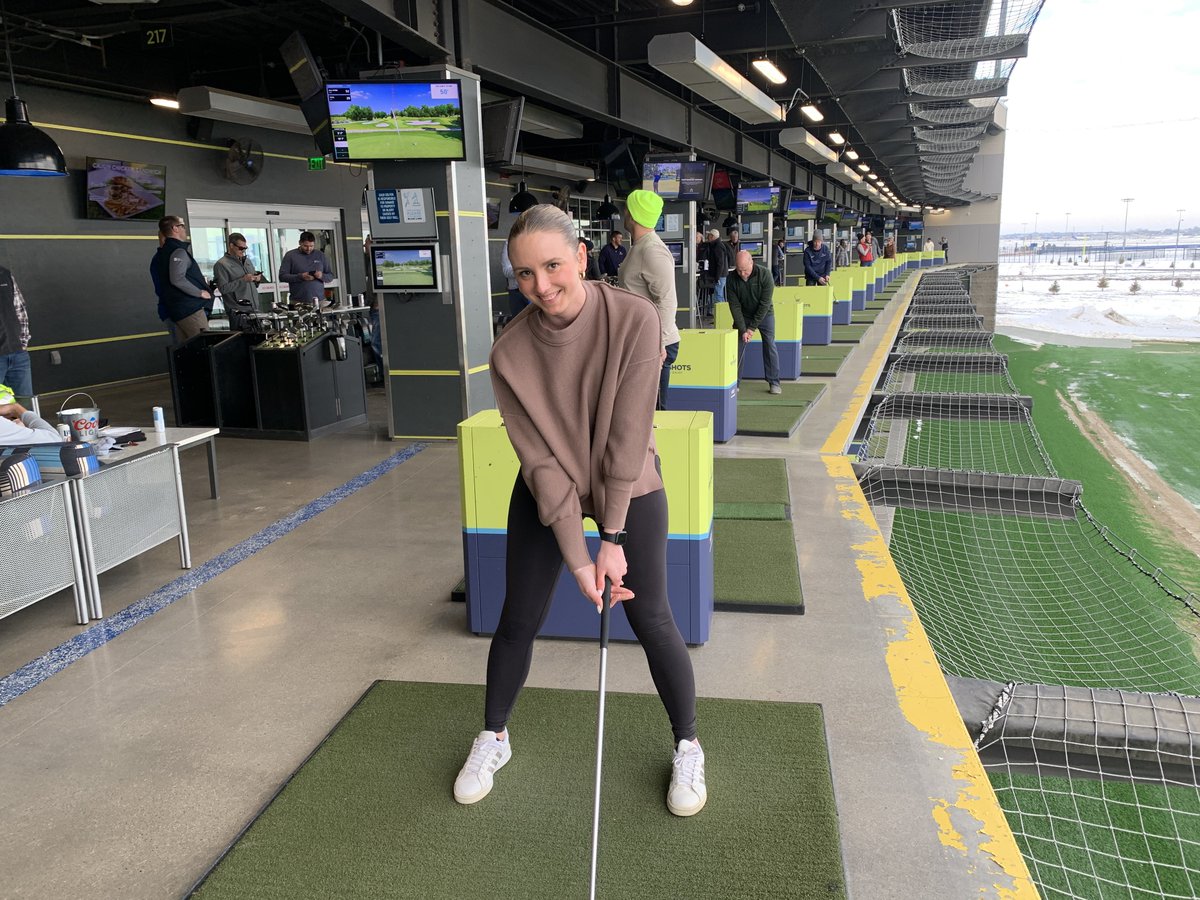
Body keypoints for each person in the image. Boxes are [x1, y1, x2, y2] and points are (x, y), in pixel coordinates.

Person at [452, 204, 706, 817]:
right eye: (524, 274)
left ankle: (689, 745)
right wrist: (577, 556)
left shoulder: (634, 319)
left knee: (652, 618)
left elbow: (626, 436)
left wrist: (610, 536)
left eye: (552, 265)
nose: (541, 286)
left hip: (630, 485)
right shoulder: (509, 352)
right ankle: (494, 735)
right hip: (550, 488)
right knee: (518, 617)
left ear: (583, 258)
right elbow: (540, 463)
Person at [618, 190, 680, 411]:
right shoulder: (640, 247)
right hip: (642, 340)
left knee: (653, 414)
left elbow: (667, 301)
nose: (623, 212)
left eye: (627, 208)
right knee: (642, 412)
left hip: (654, 344)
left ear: (633, 215)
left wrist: (658, 343)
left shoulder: (652, 250)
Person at [727, 250, 780, 395]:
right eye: (738, 270)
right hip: (743, 315)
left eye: (744, 270)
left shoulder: (765, 275)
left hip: (765, 314)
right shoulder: (731, 278)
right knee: (737, 346)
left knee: (769, 343)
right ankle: (734, 383)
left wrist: (751, 329)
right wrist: (743, 329)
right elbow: (734, 306)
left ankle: (774, 382)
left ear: (752, 262)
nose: (742, 274)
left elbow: (765, 304)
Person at [154, 216, 212, 344]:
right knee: (204, 347)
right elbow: (177, 279)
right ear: (175, 228)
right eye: (183, 226)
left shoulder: (160, 255)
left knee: (185, 351)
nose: (185, 230)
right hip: (190, 308)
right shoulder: (178, 251)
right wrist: (200, 292)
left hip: (175, 309)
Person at [212, 233, 263, 329]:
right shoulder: (221, 264)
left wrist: (257, 279)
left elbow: (253, 285)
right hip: (238, 311)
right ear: (231, 246)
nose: (243, 251)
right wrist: (243, 280)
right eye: (240, 248)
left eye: (245, 248)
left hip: (254, 308)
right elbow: (223, 289)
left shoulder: (247, 261)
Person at [0, 263, 34, 398]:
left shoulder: (4, 274)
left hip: (18, 355)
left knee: (25, 409)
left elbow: (20, 310)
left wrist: (22, 343)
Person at [279, 231, 334, 307]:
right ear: (299, 243)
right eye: (305, 246)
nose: (308, 249)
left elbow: (330, 276)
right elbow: (282, 276)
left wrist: (321, 276)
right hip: (298, 302)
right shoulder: (290, 256)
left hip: (320, 301)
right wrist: (301, 276)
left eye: (311, 246)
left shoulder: (320, 255)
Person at [501, 238, 527, 317]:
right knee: (518, 326)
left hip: (535, 291)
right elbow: (506, 270)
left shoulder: (538, 240)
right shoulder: (509, 243)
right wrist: (523, 271)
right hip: (516, 294)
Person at [705, 229, 731, 304]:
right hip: (721, 274)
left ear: (712, 236)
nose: (707, 237)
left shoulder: (717, 247)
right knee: (719, 294)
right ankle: (721, 314)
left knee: (718, 296)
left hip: (720, 275)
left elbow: (720, 263)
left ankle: (721, 314)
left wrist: (717, 277)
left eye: (709, 235)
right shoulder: (718, 245)